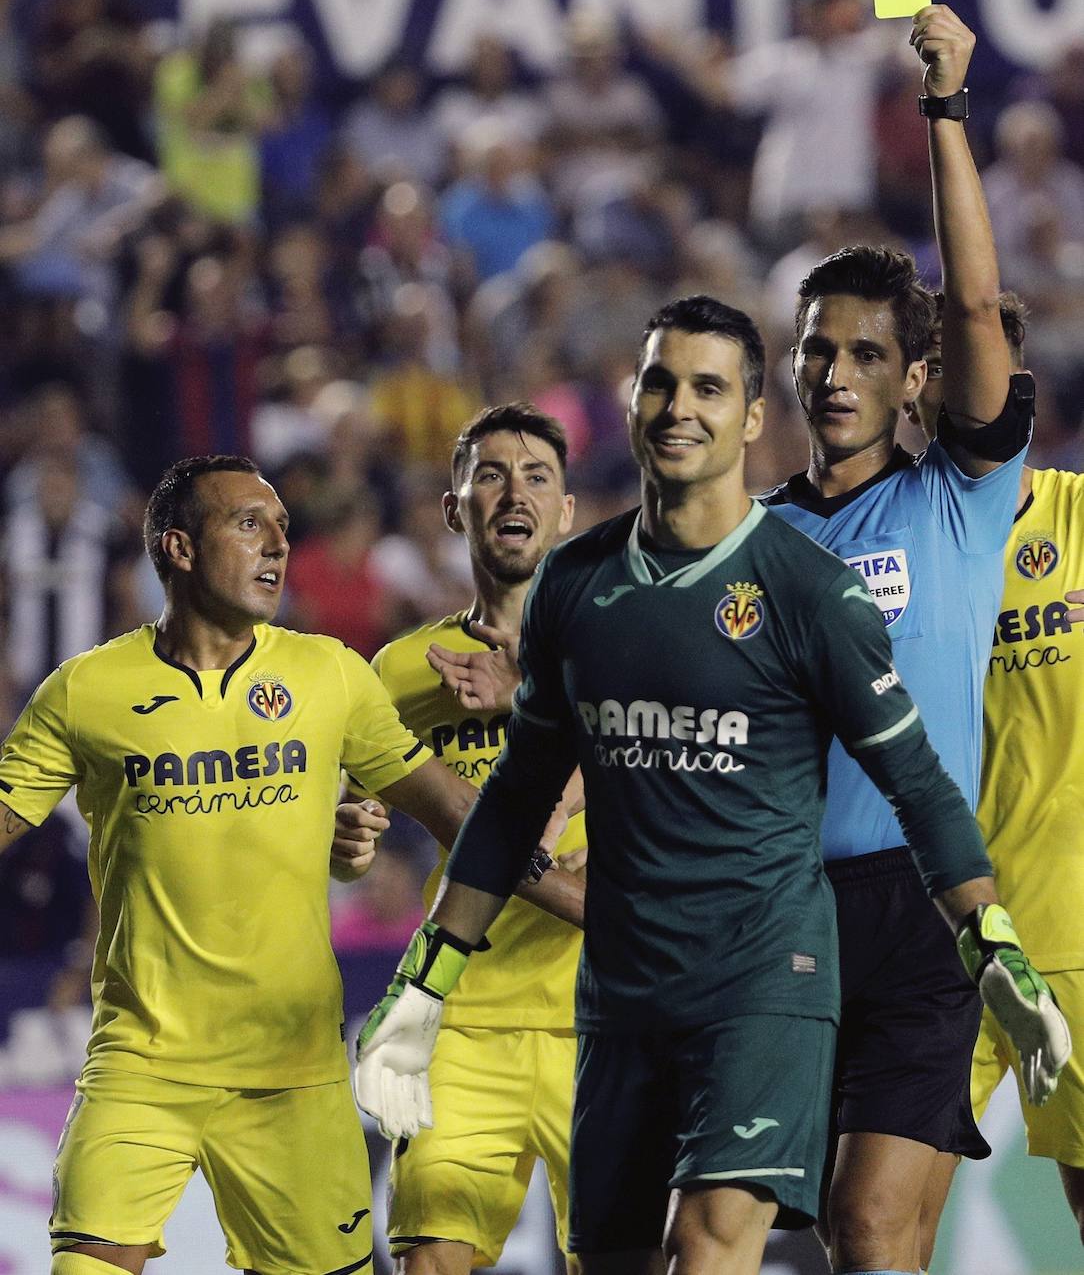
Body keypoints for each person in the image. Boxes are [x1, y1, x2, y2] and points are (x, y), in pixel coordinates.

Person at [352, 294, 1066, 1275]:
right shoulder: (588, 587)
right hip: (626, 1000)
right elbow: (523, 801)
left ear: (749, 416)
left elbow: (914, 777)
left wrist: (988, 944)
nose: (678, 408)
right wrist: (424, 987)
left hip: (771, 960)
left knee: (732, 1240)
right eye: (659, 383)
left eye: (708, 388)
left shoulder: (804, 580)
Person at [0, 453, 583, 1275]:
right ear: (178, 548)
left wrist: (599, 908)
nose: (277, 544)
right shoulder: (86, 691)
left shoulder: (329, 676)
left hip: (294, 1073)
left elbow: (469, 819)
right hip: (144, 1063)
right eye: (249, 525)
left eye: (282, 527)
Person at [760, 6, 1036, 1275]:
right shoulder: (745, 541)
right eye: (815, 351)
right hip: (783, 913)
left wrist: (943, 106)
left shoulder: (958, 498)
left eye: (867, 353)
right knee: (849, 1237)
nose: (833, 373)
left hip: (926, 909)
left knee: (872, 1227)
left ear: (914, 378)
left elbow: (975, 300)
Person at [367, 402, 585, 1272]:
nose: (514, 494)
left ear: (567, 511)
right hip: (463, 1020)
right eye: (491, 475)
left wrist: (528, 698)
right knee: (430, 1262)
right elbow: (355, 823)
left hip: (604, 1015)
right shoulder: (401, 673)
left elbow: (679, 771)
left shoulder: (627, 642)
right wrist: (349, 835)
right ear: (455, 506)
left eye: (537, 477)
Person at [906, 294, 1084, 1260]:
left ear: (1019, 389)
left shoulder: (1081, 518)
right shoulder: (876, 544)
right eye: (936, 366)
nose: (959, 385)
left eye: (979, 365)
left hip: (1073, 925)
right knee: (881, 1227)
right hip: (929, 937)